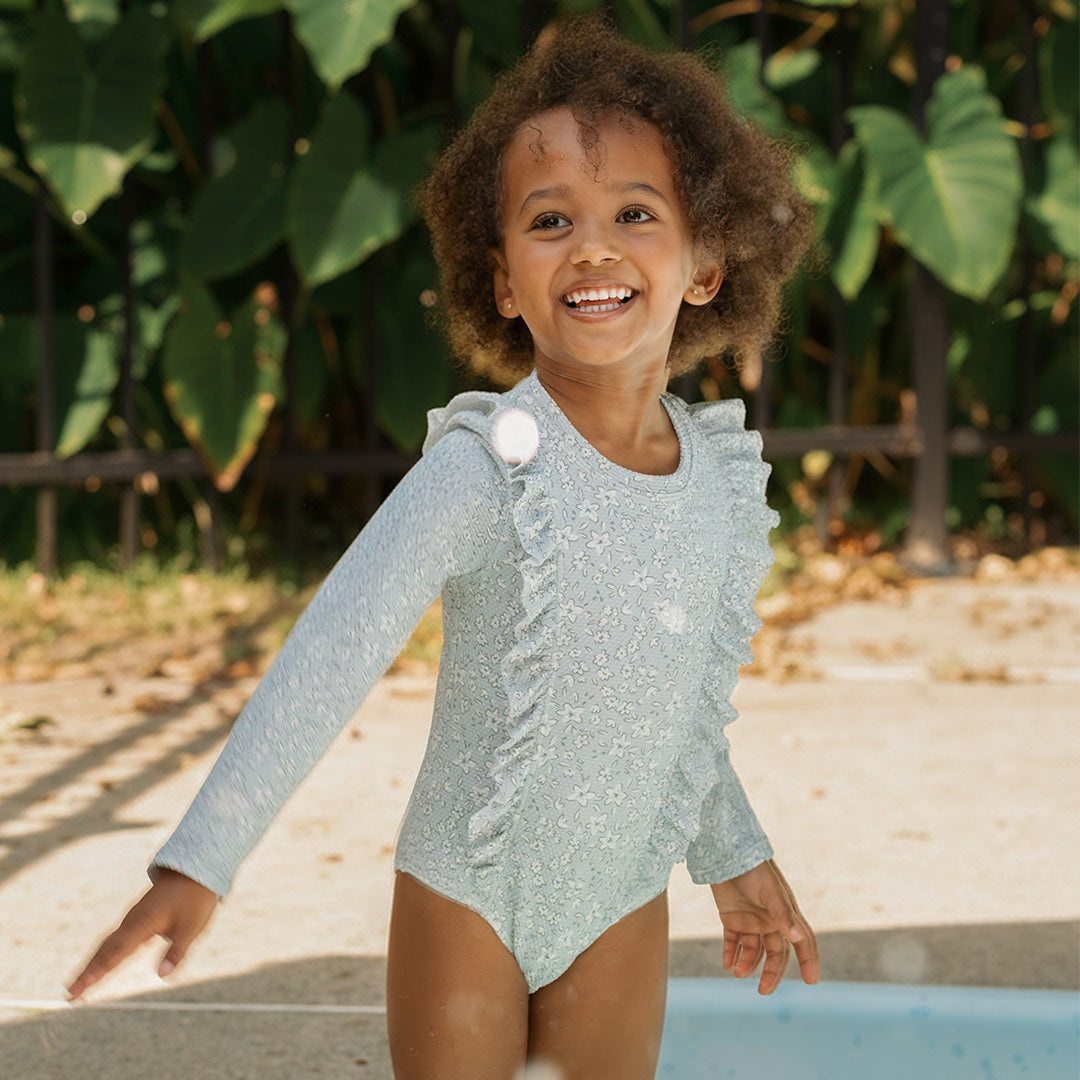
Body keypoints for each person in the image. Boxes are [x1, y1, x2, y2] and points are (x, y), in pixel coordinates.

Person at [68, 16, 820, 1080]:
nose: (594, 245)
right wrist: (201, 861)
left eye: (636, 213)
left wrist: (733, 852)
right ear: (504, 281)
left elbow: (669, 696)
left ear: (705, 263)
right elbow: (333, 652)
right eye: (550, 219)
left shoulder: (713, 482)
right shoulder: (487, 466)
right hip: (469, 888)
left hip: (620, 897)